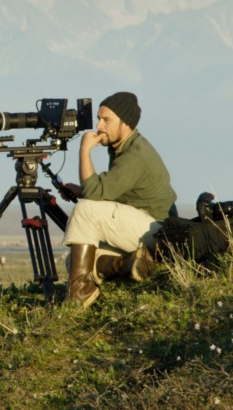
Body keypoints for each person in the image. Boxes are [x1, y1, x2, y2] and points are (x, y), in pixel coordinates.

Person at [58, 91, 177, 308]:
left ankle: (79, 294)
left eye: (106, 120)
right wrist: (83, 190)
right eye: (98, 118)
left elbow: (95, 193)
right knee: (74, 260)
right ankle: (129, 264)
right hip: (142, 227)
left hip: (157, 232)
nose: (99, 126)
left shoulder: (135, 155)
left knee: (85, 210)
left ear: (126, 123)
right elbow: (109, 191)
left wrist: (84, 150)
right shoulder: (122, 147)